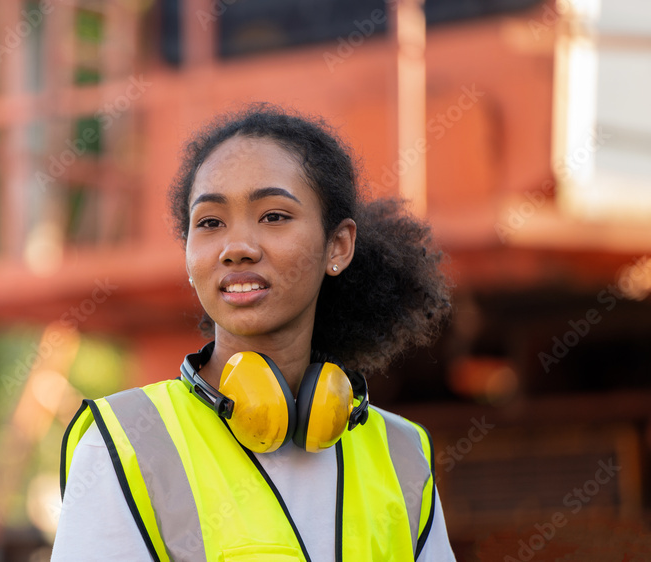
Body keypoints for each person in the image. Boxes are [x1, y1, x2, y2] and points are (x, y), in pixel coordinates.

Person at [51, 104, 456, 561]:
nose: (236, 248)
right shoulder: (123, 443)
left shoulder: (404, 457)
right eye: (209, 223)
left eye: (274, 216)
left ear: (338, 246)